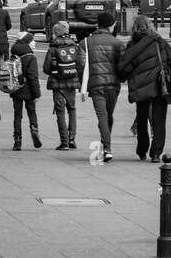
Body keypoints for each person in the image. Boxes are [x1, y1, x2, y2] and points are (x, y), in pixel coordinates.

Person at [118, 15, 171, 162]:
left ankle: (142, 150)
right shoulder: (159, 41)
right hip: (159, 86)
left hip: (141, 88)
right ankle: (156, 153)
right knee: (159, 121)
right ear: (149, 26)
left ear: (135, 28)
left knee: (142, 120)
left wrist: (123, 77)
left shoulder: (132, 45)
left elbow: (126, 67)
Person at [82, 12, 124, 161]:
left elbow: (80, 64)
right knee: (108, 116)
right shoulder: (118, 43)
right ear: (111, 25)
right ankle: (106, 148)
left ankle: (106, 147)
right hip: (113, 85)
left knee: (103, 116)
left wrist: (84, 83)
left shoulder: (86, 42)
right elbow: (123, 65)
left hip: (96, 85)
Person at [43, 19, 84, 150]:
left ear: (55, 33)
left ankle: (64, 142)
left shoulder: (53, 48)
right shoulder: (75, 47)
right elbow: (81, 64)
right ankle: (72, 139)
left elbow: (46, 68)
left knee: (60, 112)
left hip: (57, 84)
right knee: (72, 109)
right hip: (72, 83)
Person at [7, 30, 42, 150]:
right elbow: (33, 77)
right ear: (27, 42)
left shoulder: (14, 54)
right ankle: (34, 129)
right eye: (32, 40)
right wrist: (37, 93)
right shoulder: (30, 56)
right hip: (29, 90)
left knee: (17, 115)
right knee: (32, 112)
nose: (34, 43)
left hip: (16, 88)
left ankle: (17, 140)